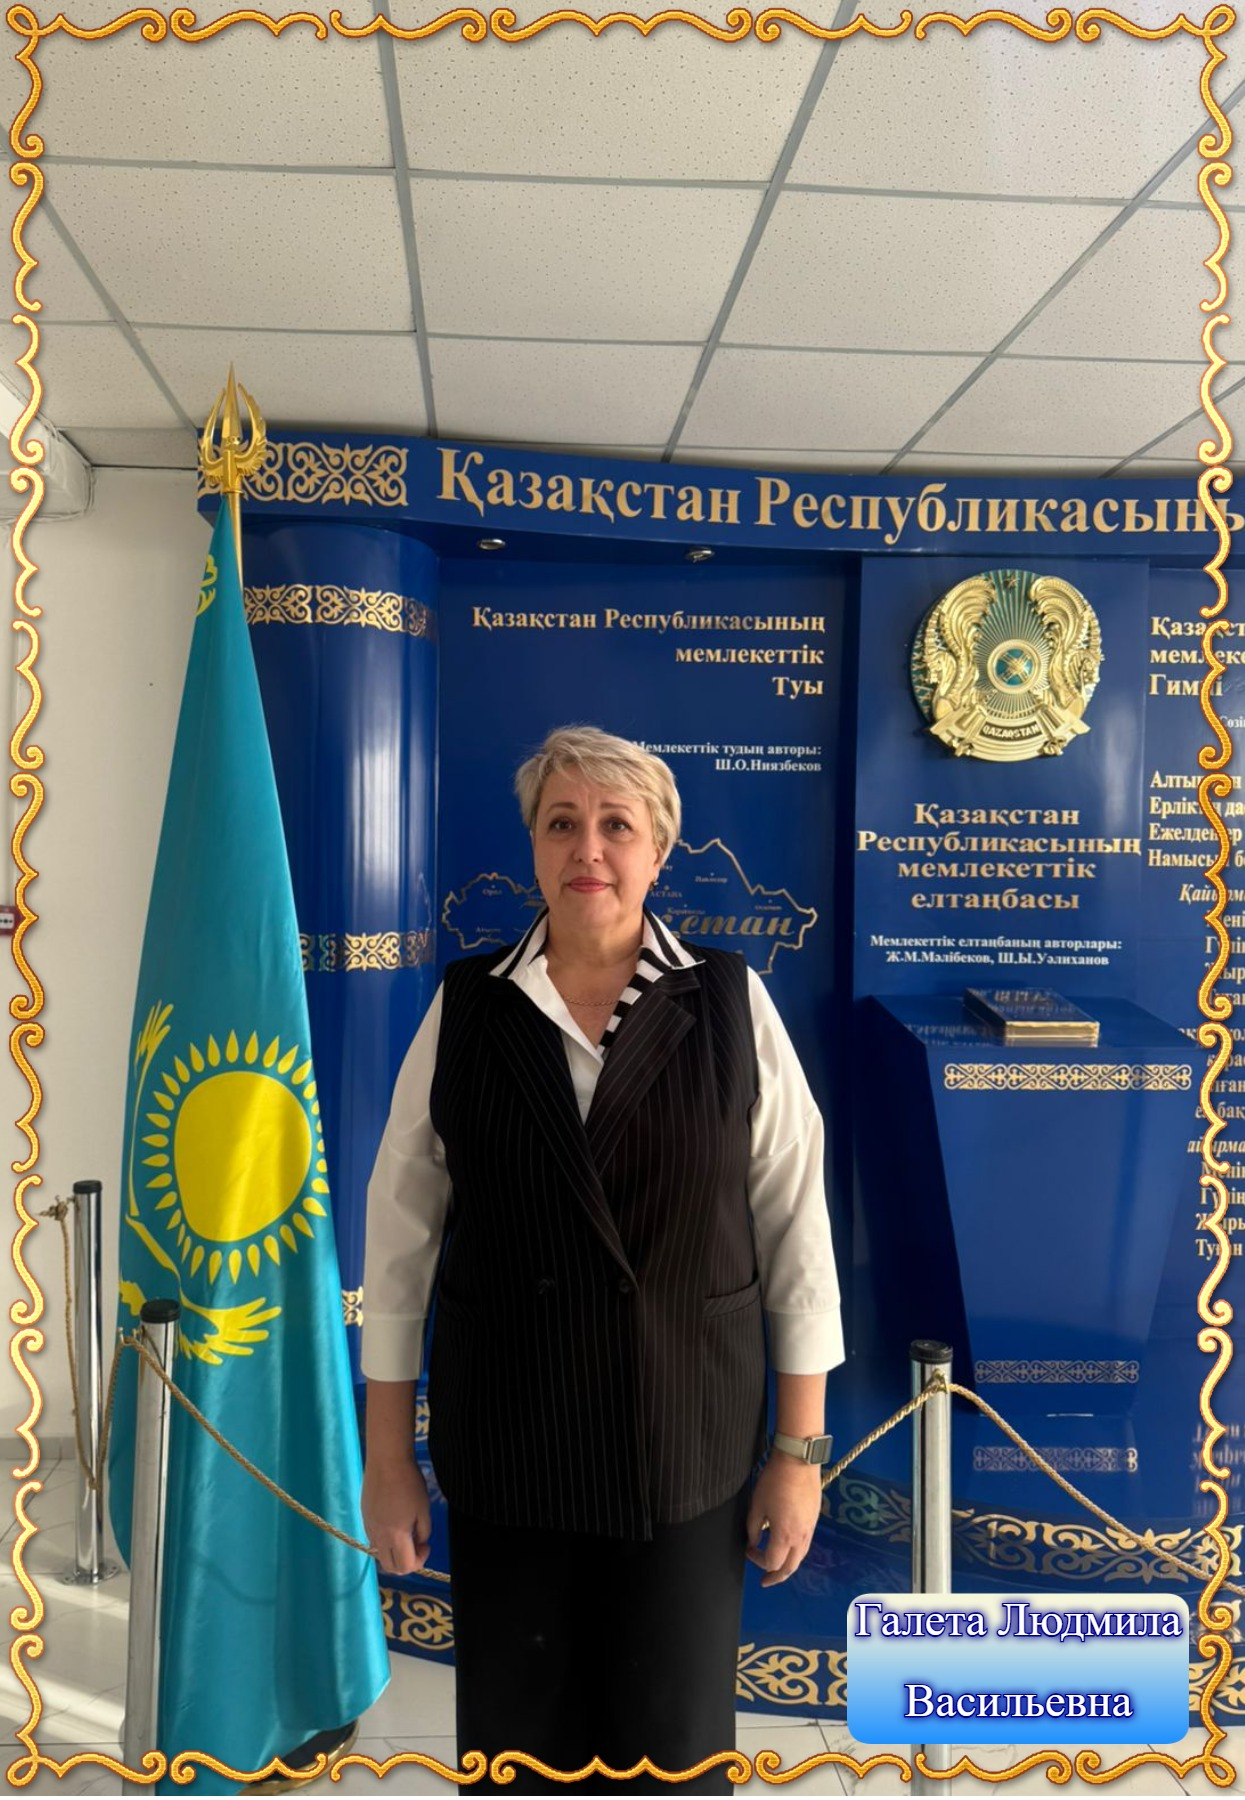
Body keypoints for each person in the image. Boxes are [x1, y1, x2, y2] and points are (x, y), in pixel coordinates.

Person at [360, 726, 843, 1795]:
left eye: (617, 825)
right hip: (512, 1446)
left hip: (686, 1447)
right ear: (533, 847)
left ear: (657, 852)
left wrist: (797, 1454)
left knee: (672, 1752)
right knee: (519, 1751)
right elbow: (397, 1248)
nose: (589, 848)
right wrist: (387, 1458)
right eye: (562, 823)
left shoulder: (729, 1001)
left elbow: (796, 1233)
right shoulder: (468, 1006)